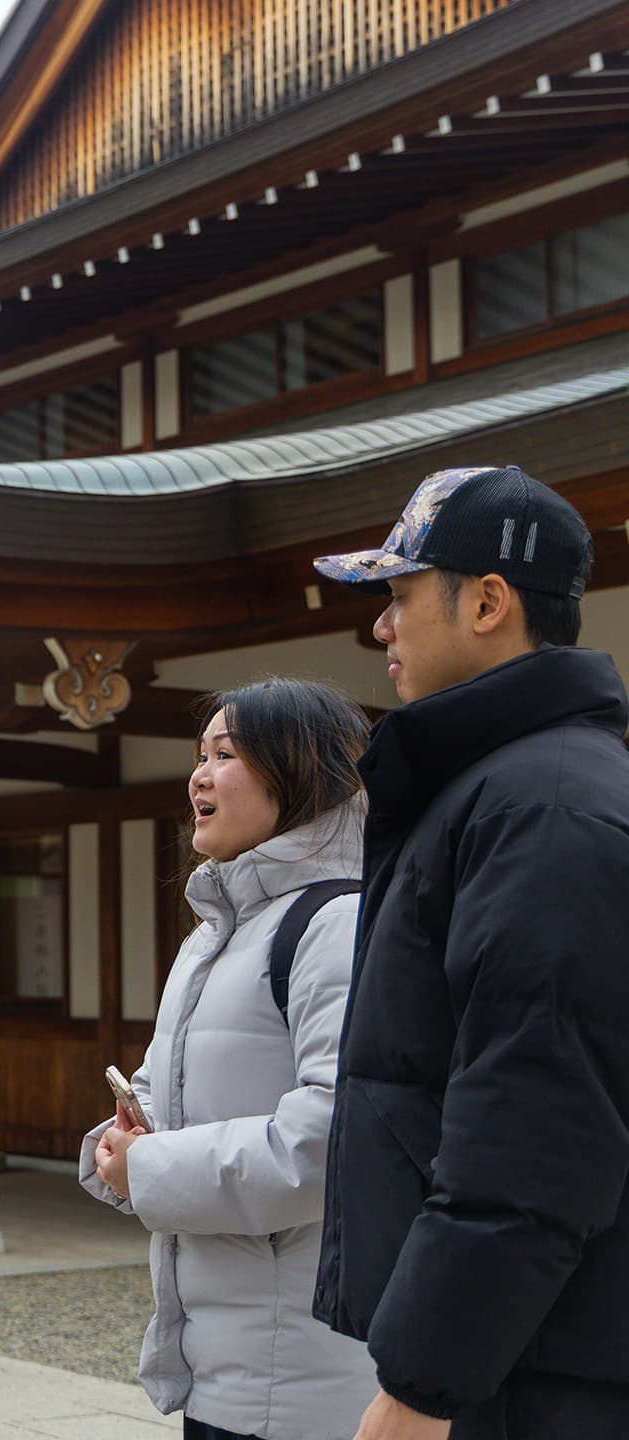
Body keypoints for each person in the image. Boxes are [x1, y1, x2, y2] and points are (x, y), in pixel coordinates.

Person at [311, 465, 629, 1440]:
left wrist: (422, 1385)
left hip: (537, 1372)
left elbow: (534, 1123)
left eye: (400, 594)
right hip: (518, 1347)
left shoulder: (546, 808)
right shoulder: (503, 788)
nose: (381, 627)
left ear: (488, 601)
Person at [82, 678, 379, 1440]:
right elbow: (162, 1090)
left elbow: (328, 1140)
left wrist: (146, 1168)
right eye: (199, 754)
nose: (199, 776)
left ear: (296, 772)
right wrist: (121, 1142)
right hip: (224, 1369)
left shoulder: (336, 923)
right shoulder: (214, 933)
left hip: (303, 1379)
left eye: (225, 754)